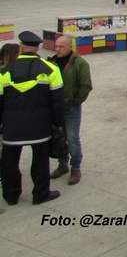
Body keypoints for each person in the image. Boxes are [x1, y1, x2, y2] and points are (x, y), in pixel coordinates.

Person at [0, 31, 64, 206]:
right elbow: (57, 101)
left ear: (21, 47)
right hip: (40, 125)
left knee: (9, 161)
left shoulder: (5, 71)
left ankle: (11, 195)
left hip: (12, 125)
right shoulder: (52, 69)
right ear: (38, 48)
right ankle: (40, 194)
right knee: (40, 161)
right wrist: (57, 124)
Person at [48, 35, 93, 186]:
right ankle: (62, 164)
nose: (58, 49)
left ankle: (75, 168)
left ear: (70, 47)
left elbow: (86, 86)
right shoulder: (51, 62)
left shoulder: (79, 63)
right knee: (59, 136)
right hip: (55, 108)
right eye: (57, 46)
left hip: (71, 107)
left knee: (72, 138)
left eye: (61, 47)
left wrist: (75, 102)